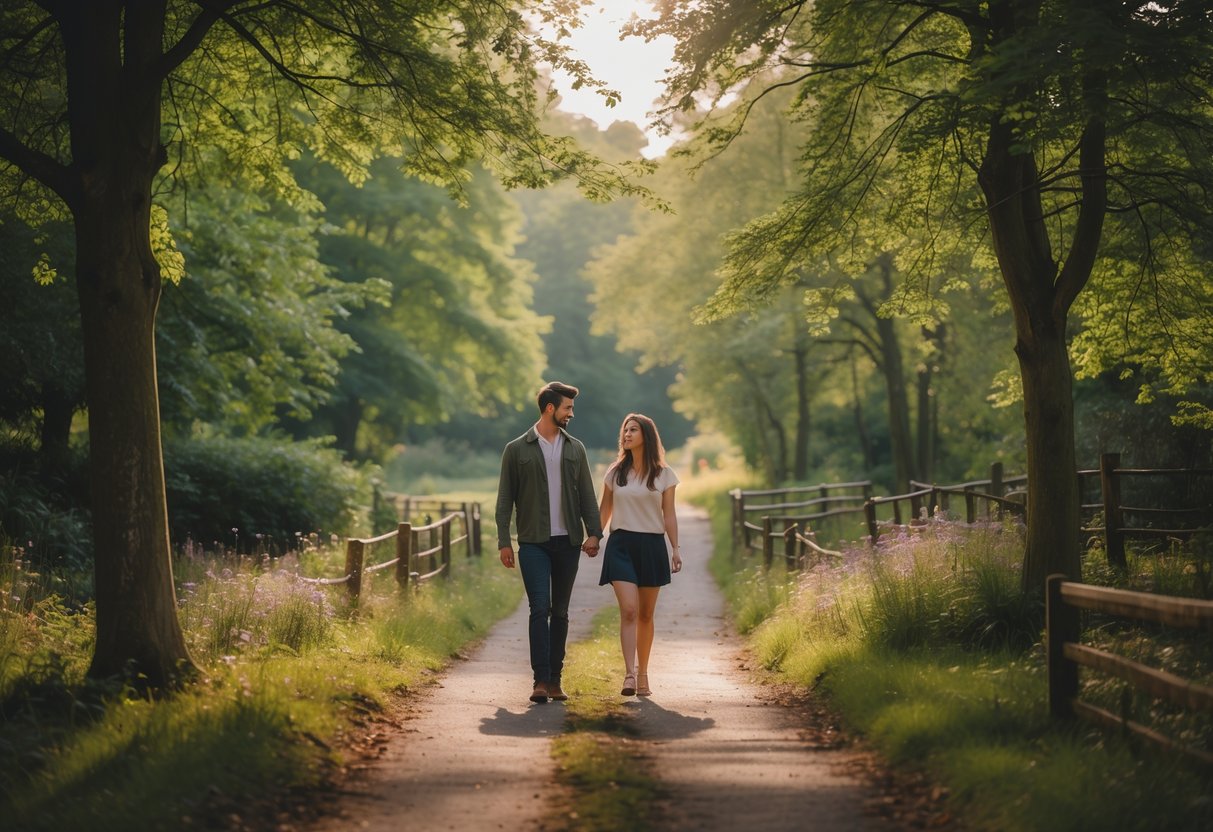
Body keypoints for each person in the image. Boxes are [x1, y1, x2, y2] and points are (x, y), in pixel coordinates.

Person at [496, 381, 602, 704]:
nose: (572, 413)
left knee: (560, 611)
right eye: (568, 407)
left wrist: (594, 532)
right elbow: (505, 500)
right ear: (550, 408)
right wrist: (504, 541)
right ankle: (539, 680)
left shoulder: (576, 449)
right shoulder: (516, 450)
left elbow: (587, 494)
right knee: (538, 608)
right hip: (533, 544)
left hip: (568, 542)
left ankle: (556, 680)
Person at [596, 413, 681, 697]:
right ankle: (629, 675)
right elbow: (605, 510)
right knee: (629, 610)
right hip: (621, 545)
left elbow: (668, 514)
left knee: (646, 614)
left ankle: (644, 673)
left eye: (633, 430)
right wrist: (594, 537)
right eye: (625, 430)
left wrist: (675, 548)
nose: (627, 434)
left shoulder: (664, 474)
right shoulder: (615, 472)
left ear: (646, 434)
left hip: (652, 547)